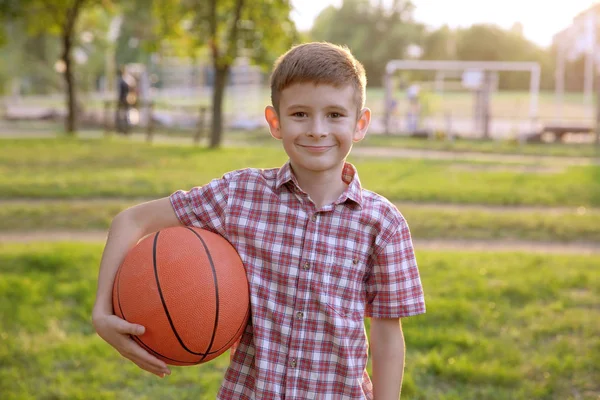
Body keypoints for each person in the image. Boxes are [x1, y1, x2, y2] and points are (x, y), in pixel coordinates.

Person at [93, 42, 426, 399]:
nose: (316, 129)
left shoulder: (383, 224)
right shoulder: (238, 196)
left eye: (334, 115)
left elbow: (388, 333)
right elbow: (131, 221)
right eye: (299, 114)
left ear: (360, 124)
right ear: (275, 122)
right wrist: (102, 312)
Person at [115, 66, 131, 134]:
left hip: (122, 101)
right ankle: (122, 129)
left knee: (123, 115)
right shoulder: (122, 81)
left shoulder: (122, 81)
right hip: (123, 101)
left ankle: (123, 129)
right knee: (123, 115)